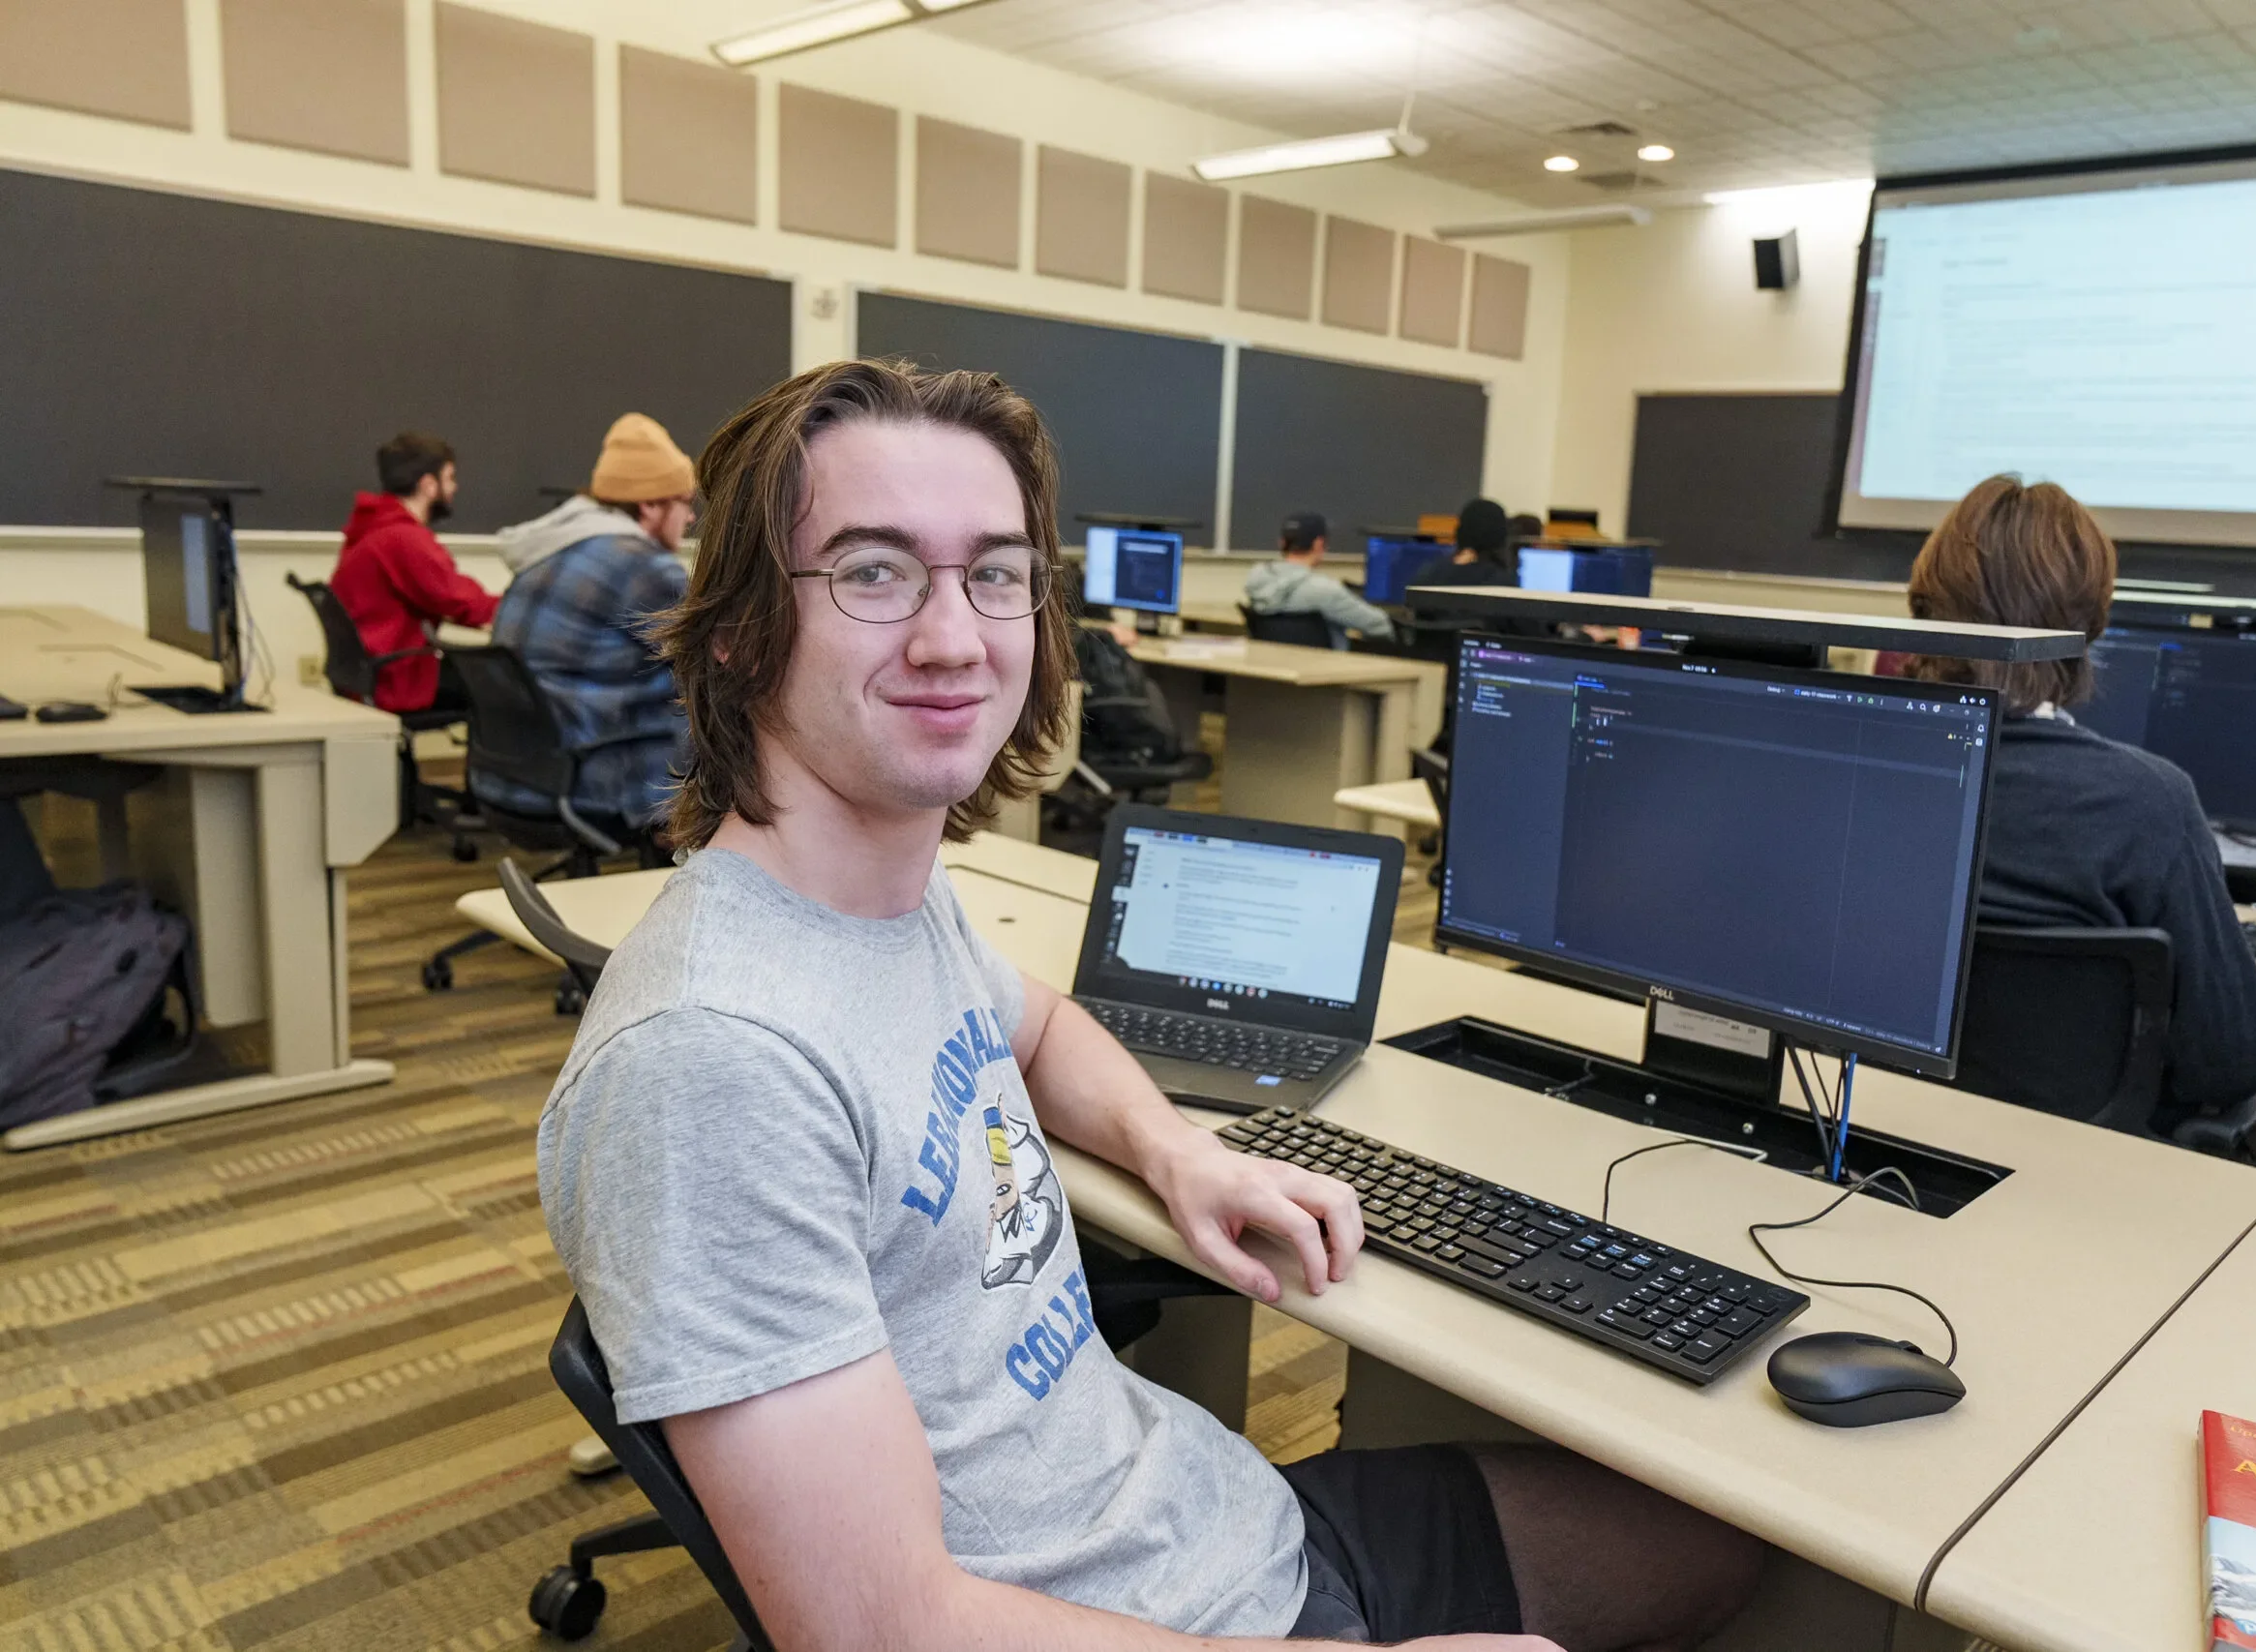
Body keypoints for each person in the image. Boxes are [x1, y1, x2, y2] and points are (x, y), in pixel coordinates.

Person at [535, 359, 1761, 1650]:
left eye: (995, 572)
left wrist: (1185, 1153)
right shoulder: (713, 1061)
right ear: (736, 626)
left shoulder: (887, 898)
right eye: (874, 570)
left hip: (1212, 1519)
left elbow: (1041, 1026)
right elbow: (883, 1629)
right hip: (1136, 1619)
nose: (956, 634)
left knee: (1734, 1539)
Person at [1906, 474, 2256, 1203]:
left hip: (1892, 1140)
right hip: (2091, 1169)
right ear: (2090, 623)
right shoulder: (2146, 802)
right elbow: (2230, 1060)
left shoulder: (1866, 768)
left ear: (1925, 609)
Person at [477, 414, 697, 838]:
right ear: (650, 505)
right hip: (593, 776)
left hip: (520, 771)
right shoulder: (643, 567)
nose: (689, 518)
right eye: (684, 502)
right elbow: (724, 662)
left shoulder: (547, 552)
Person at [331, 432, 497, 712]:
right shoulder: (403, 538)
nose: (455, 488)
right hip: (397, 679)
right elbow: (458, 600)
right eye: (450, 478)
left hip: (368, 675)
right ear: (429, 485)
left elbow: (441, 592)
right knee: (508, 687)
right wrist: (519, 606)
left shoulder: (372, 526)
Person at [1242, 511, 1395, 647]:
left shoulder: (1257, 577)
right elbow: (1380, 626)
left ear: (1282, 543)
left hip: (1277, 671)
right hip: (1326, 673)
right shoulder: (1325, 590)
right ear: (1319, 544)